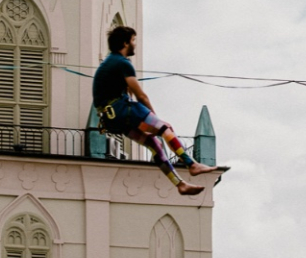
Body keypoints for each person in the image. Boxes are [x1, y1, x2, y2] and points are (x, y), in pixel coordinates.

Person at [93, 25, 218, 195]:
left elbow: (120, 90)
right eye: (133, 40)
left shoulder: (109, 62)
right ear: (125, 43)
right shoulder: (123, 63)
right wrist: (155, 118)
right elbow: (141, 96)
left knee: (155, 144)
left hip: (112, 120)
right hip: (122, 110)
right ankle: (192, 164)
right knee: (165, 128)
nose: (135, 44)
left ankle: (180, 184)